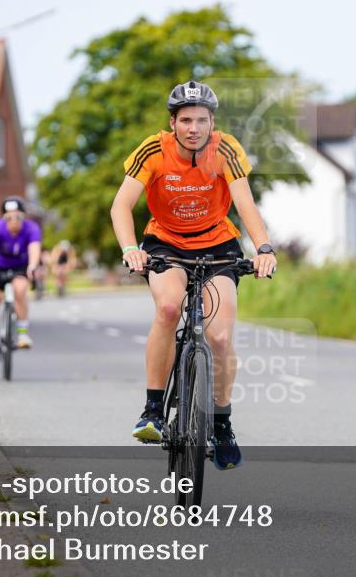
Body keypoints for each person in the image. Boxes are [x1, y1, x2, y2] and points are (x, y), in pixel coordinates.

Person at [110, 80, 277, 470]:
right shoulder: (154, 150)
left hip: (218, 246)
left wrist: (264, 248)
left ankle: (221, 424)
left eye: (202, 120)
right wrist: (131, 249)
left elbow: (246, 205)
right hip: (166, 245)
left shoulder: (226, 149)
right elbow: (121, 206)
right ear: (173, 123)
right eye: (186, 120)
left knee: (219, 336)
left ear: (212, 122)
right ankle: (153, 411)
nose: (194, 128)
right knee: (169, 309)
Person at [0, 196, 42, 354]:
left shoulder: (31, 228)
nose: (14, 221)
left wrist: (32, 266)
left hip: (20, 266)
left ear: (23, 216)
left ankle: (22, 333)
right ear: (4, 217)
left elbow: (34, 249)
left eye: (18, 217)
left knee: (20, 289)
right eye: (9, 217)